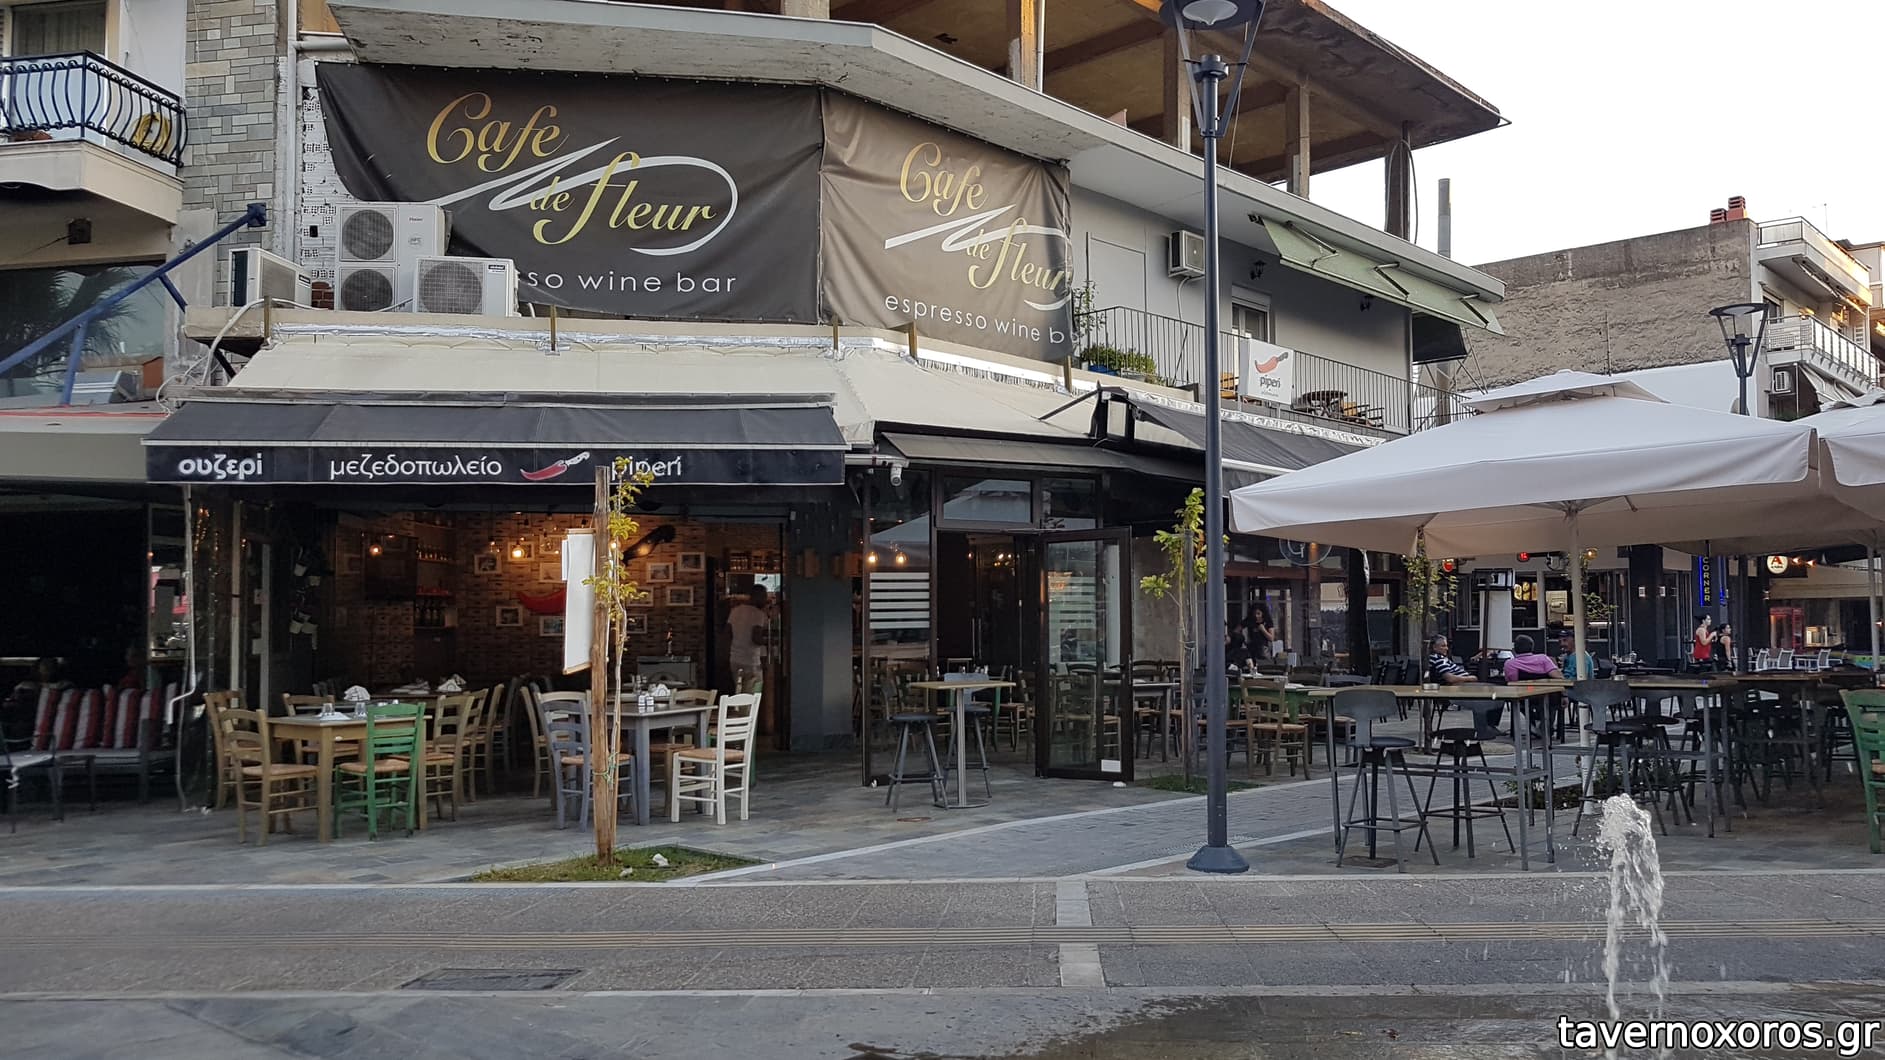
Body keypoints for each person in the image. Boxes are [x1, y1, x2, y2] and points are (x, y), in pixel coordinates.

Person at [725, 585, 772, 692]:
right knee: (753, 695)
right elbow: (756, 638)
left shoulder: (735, 610)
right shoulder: (758, 614)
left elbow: (727, 633)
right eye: (764, 597)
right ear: (758, 597)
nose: (765, 600)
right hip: (751, 662)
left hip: (735, 659)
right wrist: (769, 641)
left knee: (739, 692)